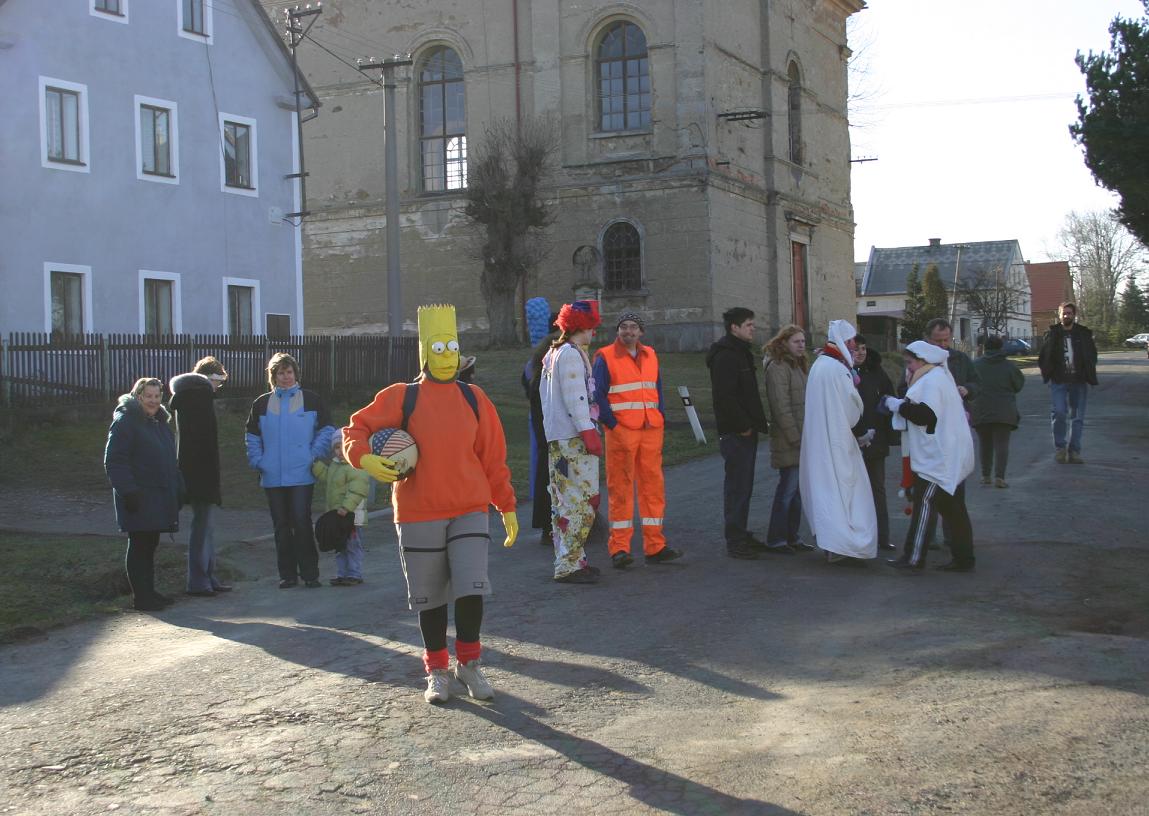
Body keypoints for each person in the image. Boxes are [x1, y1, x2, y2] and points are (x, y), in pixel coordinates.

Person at [343, 304, 518, 704]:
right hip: (418, 510)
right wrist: (364, 457)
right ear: (425, 353)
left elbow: (493, 457)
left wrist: (505, 504)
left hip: (469, 507)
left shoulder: (474, 398)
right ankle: (437, 671)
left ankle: (469, 665)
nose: (447, 355)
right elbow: (355, 428)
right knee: (431, 596)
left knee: (471, 587)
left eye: (453, 348)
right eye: (439, 348)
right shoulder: (401, 397)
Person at [593, 311, 683, 569]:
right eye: (624, 326)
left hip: (651, 429)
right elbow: (597, 395)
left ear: (641, 332)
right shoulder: (605, 357)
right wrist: (612, 425)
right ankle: (619, 549)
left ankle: (655, 546)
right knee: (620, 490)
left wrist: (660, 416)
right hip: (622, 432)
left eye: (633, 326)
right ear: (617, 330)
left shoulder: (651, 355)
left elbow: (657, 389)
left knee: (653, 489)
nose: (628, 331)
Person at [245, 353, 335, 590]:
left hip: (302, 474)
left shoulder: (311, 400)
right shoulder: (261, 403)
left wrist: (312, 455)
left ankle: (310, 574)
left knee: (302, 522)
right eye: (280, 373)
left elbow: (327, 429)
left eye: (289, 372)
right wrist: (258, 461)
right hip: (272, 476)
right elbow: (252, 436)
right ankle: (287, 575)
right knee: (281, 526)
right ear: (273, 376)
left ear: (295, 373)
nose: (285, 377)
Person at [884, 341, 976, 572]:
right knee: (954, 509)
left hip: (938, 458)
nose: (908, 368)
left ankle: (914, 558)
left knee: (925, 503)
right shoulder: (940, 377)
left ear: (923, 360)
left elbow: (925, 415)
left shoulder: (932, 381)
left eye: (910, 363)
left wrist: (896, 405)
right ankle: (964, 558)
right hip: (950, 454)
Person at [799, 320, 878, 565]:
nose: (854, 346)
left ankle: (831, 544)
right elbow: (852, 408)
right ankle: (845, 543)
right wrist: (862, 432)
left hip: (819, 442)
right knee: (846, 492)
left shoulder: (819, 365)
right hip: (838, 442)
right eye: (851, 341)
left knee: (825, 491)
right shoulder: (837, 369)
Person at [103, 377, 182, 611]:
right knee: (139, 545)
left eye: (157, 396)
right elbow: (114, 461)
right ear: (138, 397)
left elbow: (170, 461)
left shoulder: (158, 423)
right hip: (138, 497)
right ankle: (142, 597)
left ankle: (149, 592)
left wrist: (179, 487)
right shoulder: (126, 422)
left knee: (150, 544)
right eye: (148, 396)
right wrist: (128, 492)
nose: (153, 401)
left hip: (157, 497)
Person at [540, 300, 603, 583]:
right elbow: (576, 397)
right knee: (583, 502)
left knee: (564, 503)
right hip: (574, 439)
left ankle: (571, 559)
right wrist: (588, 432)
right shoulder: (571, 355)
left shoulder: (553, 353)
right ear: (582, 326)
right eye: (591, 327)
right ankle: (569, 564)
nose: (593, 333)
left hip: (558, 438)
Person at [706, 307, 770, 560]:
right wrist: (743, 425)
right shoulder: (726, 356)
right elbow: (724, 397)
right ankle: (735, 540)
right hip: (736, 433)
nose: (753, 329)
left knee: (744, 487)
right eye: (749, 325)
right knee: (737, 487)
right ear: (734, 327)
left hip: (745, 431)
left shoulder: (741, 352)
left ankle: (741, 533)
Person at [168, 356, 231, 597]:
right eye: (217, 381)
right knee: (202, 527)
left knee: (205, 526)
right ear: (208, 379)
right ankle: (198, 579)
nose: (218, 387)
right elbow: (202, 442)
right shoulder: (199, 397)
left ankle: (207, 575)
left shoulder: (188, 397)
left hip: (194, 470)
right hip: (200, 472)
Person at [923, 318, 979, 553]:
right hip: (930, 431)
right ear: (928, 339)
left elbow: (977, 383)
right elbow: (904, 389)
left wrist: (968, 389)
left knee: (955, 484)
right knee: (929, 483)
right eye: (938, 341)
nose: (943, 345)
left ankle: (953, 535)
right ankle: (928, 536)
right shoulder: (920, 360)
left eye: (946, 340)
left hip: (956, 430)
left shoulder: (960, 359)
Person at [762, 324, 810, 554]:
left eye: (803, 341)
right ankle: (777, 539)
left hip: (801, 438)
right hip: (789, 439)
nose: (801, 345)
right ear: (784, 343)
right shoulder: (778, 367)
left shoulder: (798, 365)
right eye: (796, 341)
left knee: (797, 492)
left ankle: (792, 536)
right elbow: (781, 407)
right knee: (787, 490)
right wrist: (796, 438)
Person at [851, 335, 896, 551]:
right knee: (854, 491)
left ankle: (882, 536)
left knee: (877, 488)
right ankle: (858, 536)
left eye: (863, 348)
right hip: (851, 441)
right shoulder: (842, 372)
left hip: (876, 440)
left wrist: (889, 435)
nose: (860, 353)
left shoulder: (877, 373)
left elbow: (889, 401)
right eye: (856, 349)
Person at [1038, 301, 1098, 464]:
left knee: (1077, 417)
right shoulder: (1052, 334)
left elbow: (1092, 355)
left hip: (1078, 380)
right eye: (1063, 313)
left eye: (1069, 313)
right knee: (1059, 412)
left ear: (1074, 315)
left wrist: (1088, 373)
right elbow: (1043, 356)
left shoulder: (1083, 334)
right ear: (1059, 315)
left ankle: (1075, 451)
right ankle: (1060, 448)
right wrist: (1048, 373)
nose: (1066, 316)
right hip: (1058, 381)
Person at [312, 430, 371, 585]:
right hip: (337, 516)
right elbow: (328, 478)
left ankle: (354, 574)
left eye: (344, 446)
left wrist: (347, 506)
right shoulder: (335, 465)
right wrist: (317, 467)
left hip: (352, 515)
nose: (340, 451)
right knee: (339, 545)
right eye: (337, 447)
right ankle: (342, 573)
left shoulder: (356, 466)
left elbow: (358, 489)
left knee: (352, 545)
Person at [522, 304, 557, 547]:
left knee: (542, 472)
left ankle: (546, 525)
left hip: (540, 427)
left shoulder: (534, 363)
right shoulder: (555, 360)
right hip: (552, 429)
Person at [971, 335, 1025, 487]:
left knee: (984, 443)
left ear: (985, 348)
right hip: (1004, 410)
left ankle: (985, 475)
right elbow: (1018, 385)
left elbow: (970, 385)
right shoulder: (1009, 366)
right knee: (1002, 444)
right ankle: (1000, 477)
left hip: (981, 409)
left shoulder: (975, 365)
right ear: (1001, 348)